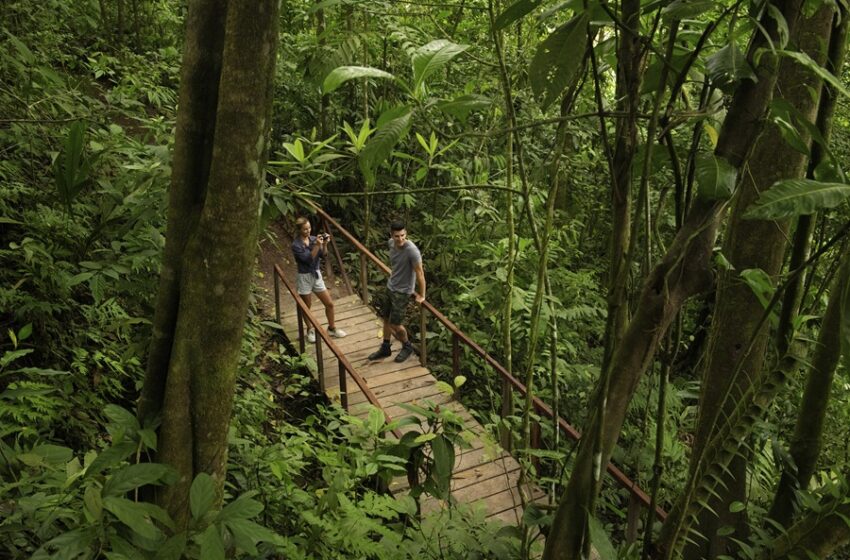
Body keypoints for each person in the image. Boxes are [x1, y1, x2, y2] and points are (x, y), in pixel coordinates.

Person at [368, 220, 426, 363]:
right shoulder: (390, 244)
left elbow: (420, 273)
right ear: (391, 235)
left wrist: (422, 295)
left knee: (395, 323)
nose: (400, 239)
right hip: (391, 286)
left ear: (406, 234)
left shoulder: (412, 250)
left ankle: (407, 346)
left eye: (403, 236)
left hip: (403, 291)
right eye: (397, 236)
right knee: (386, 319)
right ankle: (386, 347)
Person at [291, 217, 346, 342]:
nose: (308, 231)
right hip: (304, 277)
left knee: (329, 304)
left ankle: (332, 328)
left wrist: (325, 244)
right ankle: (310, 330)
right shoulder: (296, 245)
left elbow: (324, 255)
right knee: (307, 307)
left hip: (316, 275)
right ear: (299, 230)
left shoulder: (314, 239)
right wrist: (317, 245)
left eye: (309, 228)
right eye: (305, 229)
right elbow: (308, 259)